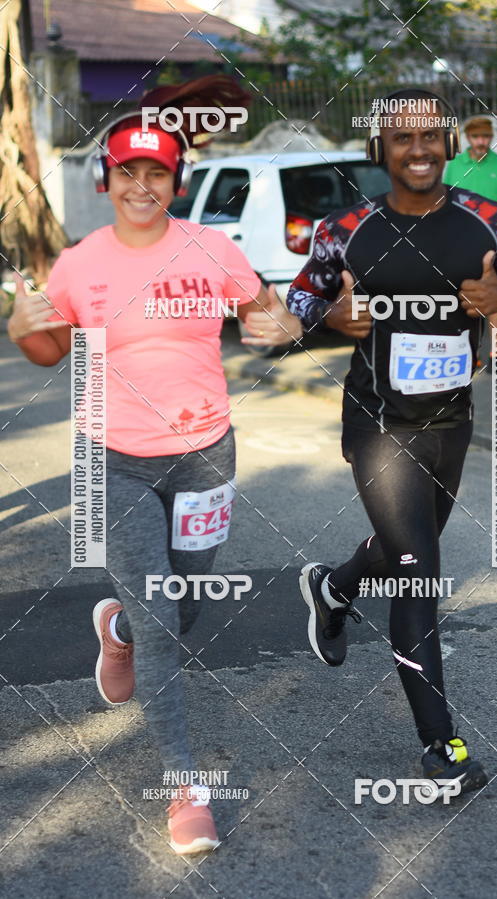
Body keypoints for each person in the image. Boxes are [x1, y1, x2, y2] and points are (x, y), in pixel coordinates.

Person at [8, 109, 302, 854]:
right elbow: (47, 349)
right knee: (166, 622)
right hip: (111, 456)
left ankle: (117, 628)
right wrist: (23, 326)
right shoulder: (80, 263)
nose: (142, 185)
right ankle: (183, 787)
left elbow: (267, 314)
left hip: (206, 454)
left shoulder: (213, 247)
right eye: (128, 172)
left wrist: (284, 328)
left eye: (157, 172)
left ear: (176, 180)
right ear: (108, 180)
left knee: (186, 606)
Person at [288, 88, 497, 798]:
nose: (419, 149)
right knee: (418, 572)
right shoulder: (344, 228)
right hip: (377, 425)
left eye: (430, 136)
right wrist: (329, 319)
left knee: (402, 547)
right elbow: (296, 308)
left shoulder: (491, 223)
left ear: (445, 143)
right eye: (402, 138)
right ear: (381, 149)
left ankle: (334, 585)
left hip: (450, 424)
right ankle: (442, 746)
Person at [443, 115, 497, 370]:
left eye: (486, 137)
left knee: (495, 297)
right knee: (463, 297)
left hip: (495, 242)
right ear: (468, 138)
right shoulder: (454, 165)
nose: (481, 142)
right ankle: (469, 353)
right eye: (477, 137)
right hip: (460, 241)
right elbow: (445, 201)